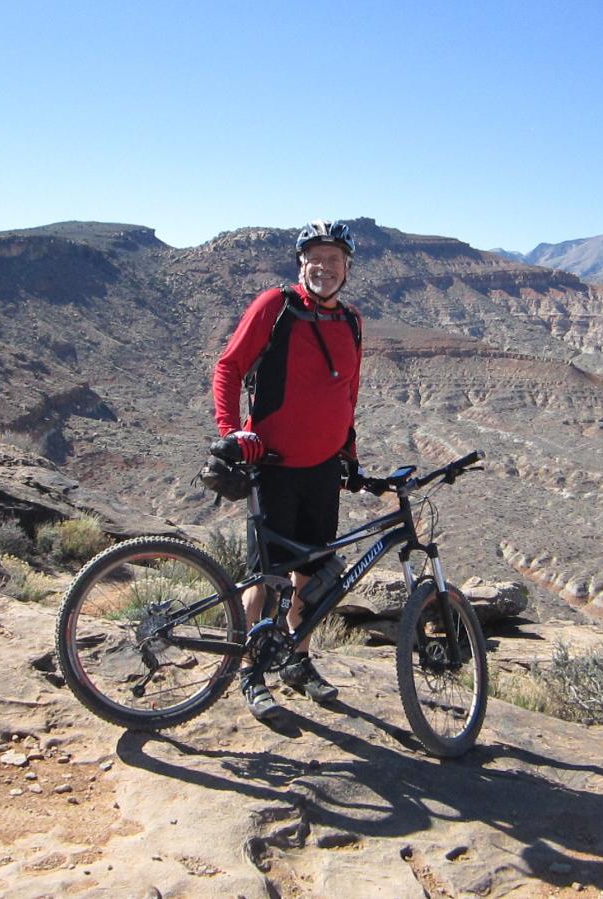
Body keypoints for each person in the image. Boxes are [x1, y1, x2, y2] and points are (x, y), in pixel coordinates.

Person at [212, 220, 364, 720]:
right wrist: (233, 430)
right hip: (273, 466)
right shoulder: (275, 306)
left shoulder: (351, 321)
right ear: (301, 263)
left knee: (312, 572)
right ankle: (251, 671)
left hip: (322, 469)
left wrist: (349, 450)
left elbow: (348, 391)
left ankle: (297, 660)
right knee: (267, 574)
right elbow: (230, 367)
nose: (324, 268)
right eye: (315, 259)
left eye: (334, 260)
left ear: (347, 268)